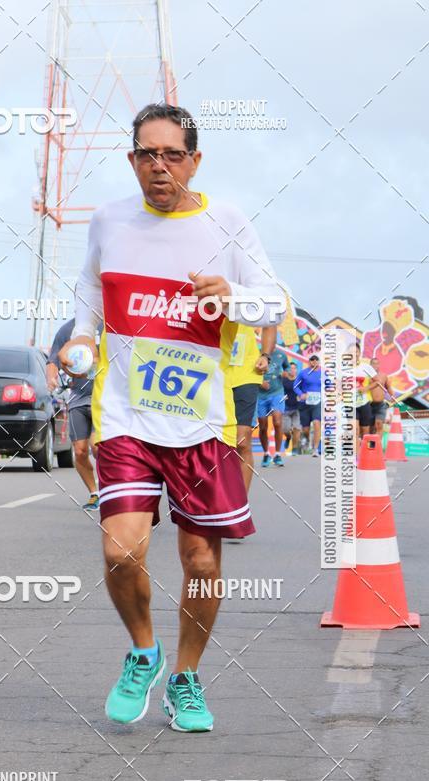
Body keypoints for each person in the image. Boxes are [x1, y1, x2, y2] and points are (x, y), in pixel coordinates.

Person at [59, 103, 286, 732]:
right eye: (147, 154)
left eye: (172, 155)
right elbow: (89, 292)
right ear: (132, 159)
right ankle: (144, 652)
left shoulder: (227, 223)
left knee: (202, 563)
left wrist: (233, 296)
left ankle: (185, 676)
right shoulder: (108, 220)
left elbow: (274, 303)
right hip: (127, 416)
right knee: (119, 550)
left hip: (201, 422)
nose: (159, 166)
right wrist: (81, 338)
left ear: (195, 160)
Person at [46, 317, 101, 510]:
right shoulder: (66, 330)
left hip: (103, 397)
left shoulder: (109, 324)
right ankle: (94, 494)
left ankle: (111, 489)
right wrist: (51, 377)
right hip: (78, 398)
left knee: (97, 447)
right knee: (79, 451)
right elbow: (52, 361)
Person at [229, 323, 278, 491]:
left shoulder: (251, 304)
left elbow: (270, 323)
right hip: (210, 372)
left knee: (242, 441)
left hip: (246, 373)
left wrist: (265, 355)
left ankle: (240, 502)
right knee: (207, 442)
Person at [257, 345, 289, 467]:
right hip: (260, 395)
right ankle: (266, 454)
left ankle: (277, 454)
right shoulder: (256, 352)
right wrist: (260, 382)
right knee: (263, 426)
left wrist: (286, 372)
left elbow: (287, 367)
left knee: (277, 422)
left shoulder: (281, 355)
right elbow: (247, 371)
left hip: (277, 393)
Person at [294, 354, 322, 457]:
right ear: (309, 361)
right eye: (312, 360)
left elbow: (329, 386)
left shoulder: (323, 374)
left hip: (318, 403)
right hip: (305, 404)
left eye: (316, 359)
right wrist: (301, 394)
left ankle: (315, 449)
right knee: (306, 429)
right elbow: (295, 386)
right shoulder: (303, 373)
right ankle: (306, 439)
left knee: (316, 423)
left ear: (318, 361)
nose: (314, 361)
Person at [354, 343, 375, 451]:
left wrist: (366, 388)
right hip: (350, 404)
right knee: (355, 429)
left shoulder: (366, 367)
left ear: (359, 353)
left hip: (364, 403)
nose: (354, 354)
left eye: (356, 352)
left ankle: (367, 452)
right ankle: (356, 454)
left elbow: (378, 382)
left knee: (365, 430)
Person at [369, 356, 392, 439]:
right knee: (370, 428)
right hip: (368, 405)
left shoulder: (383, 376)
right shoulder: (366, 376)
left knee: (379, 425)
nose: (375, 365)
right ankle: (371, 445)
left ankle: (378, 445)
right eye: (373, 364)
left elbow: (389, 388)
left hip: (380, 405)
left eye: (377, 363)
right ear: (370, 365)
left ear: (379, 365)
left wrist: (391, 398)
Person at [282, 361, 301, 454]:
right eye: (291, 368)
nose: (292, 370)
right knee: (285, 430)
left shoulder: (300, 381)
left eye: (294, 368)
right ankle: (288, 437)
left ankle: (294, 448)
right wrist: (282, 397)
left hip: (297, 409)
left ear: (296, 370)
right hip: (285, 408)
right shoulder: (283, 381)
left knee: (296, 428)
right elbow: (278, 392)